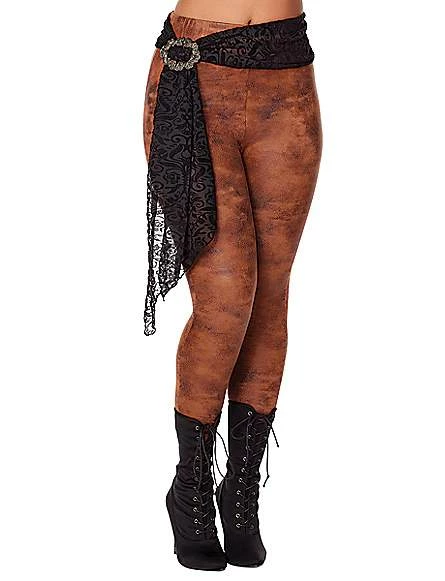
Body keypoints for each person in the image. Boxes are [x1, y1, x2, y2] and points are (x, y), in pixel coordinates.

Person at [143, 0, 322, 570]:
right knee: (225, 302)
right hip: (195, 74)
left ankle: (240, 494)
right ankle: (190, 490)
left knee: (270, 297)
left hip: (286, 76)